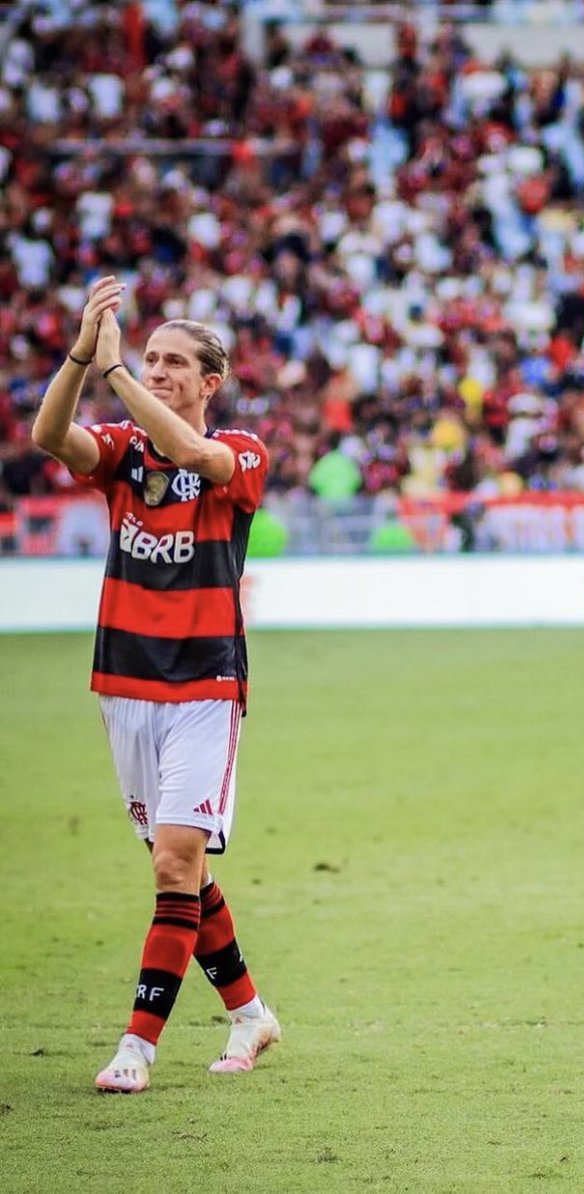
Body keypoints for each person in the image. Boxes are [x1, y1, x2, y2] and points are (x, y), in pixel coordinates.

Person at [31, 277, 280, 1094]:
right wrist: (80, 354)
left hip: (205, 688)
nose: (159, 370)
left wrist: (118, 377)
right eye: (150, 359)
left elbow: (191, 453)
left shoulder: (241, 452)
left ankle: (137, 1045)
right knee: (185, 873)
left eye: (176, 363)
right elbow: (48, 436)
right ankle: (249, 1013)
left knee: (175, 865)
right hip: (124, 686)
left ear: (212, 382)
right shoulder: (123, 453)